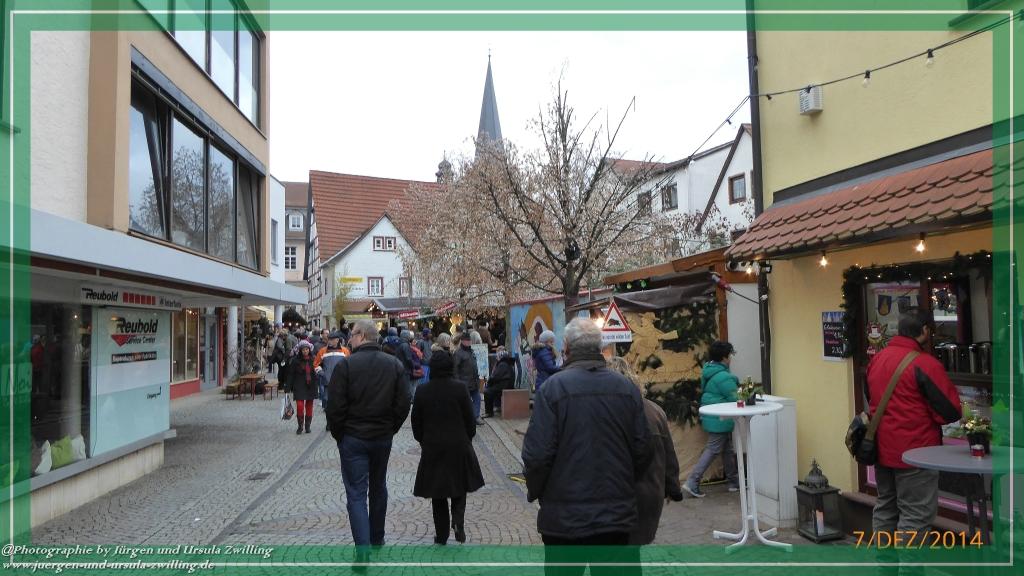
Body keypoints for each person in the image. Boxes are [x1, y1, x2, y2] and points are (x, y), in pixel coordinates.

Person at [521, 318, 649, 572]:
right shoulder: (626, 388)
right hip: (615, 516)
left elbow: (536, 456)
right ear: (599, 347)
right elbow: (643, 448)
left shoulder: (552, 390)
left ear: (566, 346)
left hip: (565, 518)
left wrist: (540, 493)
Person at [868, 311, 960, 535]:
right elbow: (949, 411)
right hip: (916, 452)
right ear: (925, 330)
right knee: (915, 516)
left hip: (882, 449)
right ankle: (909, 570)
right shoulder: (925, 364)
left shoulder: (878, 358)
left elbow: (871, 397)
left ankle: (885, 568)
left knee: (885, 507)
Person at [326, 319, 411, 559]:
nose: (349, 338)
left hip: (354, 437)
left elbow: (335, 407)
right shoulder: (393, 365)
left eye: (352, 334)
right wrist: (391, 427)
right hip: (381, 436)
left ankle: (363, 547)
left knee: (356, 493)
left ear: (362, 335)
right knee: (378, 486)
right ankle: (377, 536)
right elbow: (404, 402)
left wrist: (340, 433)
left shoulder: (347, 366)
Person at [607, 356, 683, 544]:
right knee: (630, 553)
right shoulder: (655, 410)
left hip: (616, 497)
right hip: (649, 496)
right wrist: (672, 489)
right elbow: (669, 456)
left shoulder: (606, 413)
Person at [411, 350, 485, 545]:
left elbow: (416, 423)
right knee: (459, 486)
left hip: (433, 446)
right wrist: (467, 437)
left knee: (438, 493)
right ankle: (458, 521)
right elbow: (470, 419)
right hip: (458, 444)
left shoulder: (422, 390)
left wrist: (424, 441)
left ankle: (441, 534)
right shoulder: (460, 389)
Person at [684, 341, 741, 498]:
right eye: (730, 355)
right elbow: (735, 397)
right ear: (724, 357)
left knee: (727, 448)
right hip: (720, 418)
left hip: (713, 416)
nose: (731, 358)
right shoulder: (724, 376)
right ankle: (692, 481)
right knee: (713, 448)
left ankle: (734, 482)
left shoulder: (709, 370)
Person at [315, 331, 349, 431]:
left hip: (341, 383)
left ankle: (339, 423)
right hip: (327, 382)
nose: (329, 341)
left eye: (331, 339)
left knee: (341, 404)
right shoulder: (322, 351)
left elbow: (350, 365)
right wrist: (322, 373)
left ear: (337, 340)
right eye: (328, 339)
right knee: (328, 404)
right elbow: (316, 364)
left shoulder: (345, 351)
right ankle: (329, 423)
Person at [287, 340, 318, 434]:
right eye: (303, 349)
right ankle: (300, 426)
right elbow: (290, 374)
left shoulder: (313, 359)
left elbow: (318, 370)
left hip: (311, 385)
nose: (305, 351)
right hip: (299, 385)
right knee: (300, 405)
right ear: (300, 350)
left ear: (309, 349)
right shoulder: (295, 361)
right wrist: (287, 387)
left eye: (307, 349)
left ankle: (307, 426)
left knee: (309, 406)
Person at [453, 332, 482, 425]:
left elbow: (474, 365)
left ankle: (475, 417)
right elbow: (455, 369)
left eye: (469, 340)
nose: (468, 342)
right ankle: (467, 418)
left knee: (477, 398)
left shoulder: (471, 351)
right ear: (462, 341)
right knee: (466, 402)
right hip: (463, 382)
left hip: (473, 381)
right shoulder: (458, 353)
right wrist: (458, 382)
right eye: (466, 341)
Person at [483, 349, 516, 418]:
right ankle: (496, 407)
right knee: (490, 389)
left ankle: (489, 412)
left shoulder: (502, 364)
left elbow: (495, 377)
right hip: (507, 385)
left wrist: (489, 382)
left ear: (500, 357)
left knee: (487, 392)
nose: (496, 358)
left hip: (504, 386)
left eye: (497, 357)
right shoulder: (508, 363)